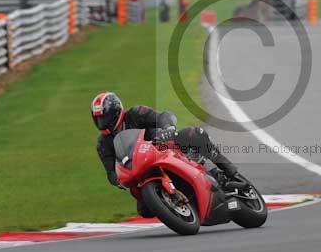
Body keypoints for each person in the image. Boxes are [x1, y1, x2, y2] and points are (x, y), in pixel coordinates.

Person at [90, 92, 239, 215]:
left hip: (162, 148)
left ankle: (229, 170)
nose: (103, 123)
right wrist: (118, 180)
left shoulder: (136, 113)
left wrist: (166, 129)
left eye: (106, 118)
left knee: (194, 134)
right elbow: (110, 171)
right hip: (140, 169)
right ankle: (175, 203)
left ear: (117, 112)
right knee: (144, 210)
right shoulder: (103, 144)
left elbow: (163, 116)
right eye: (99, 120)